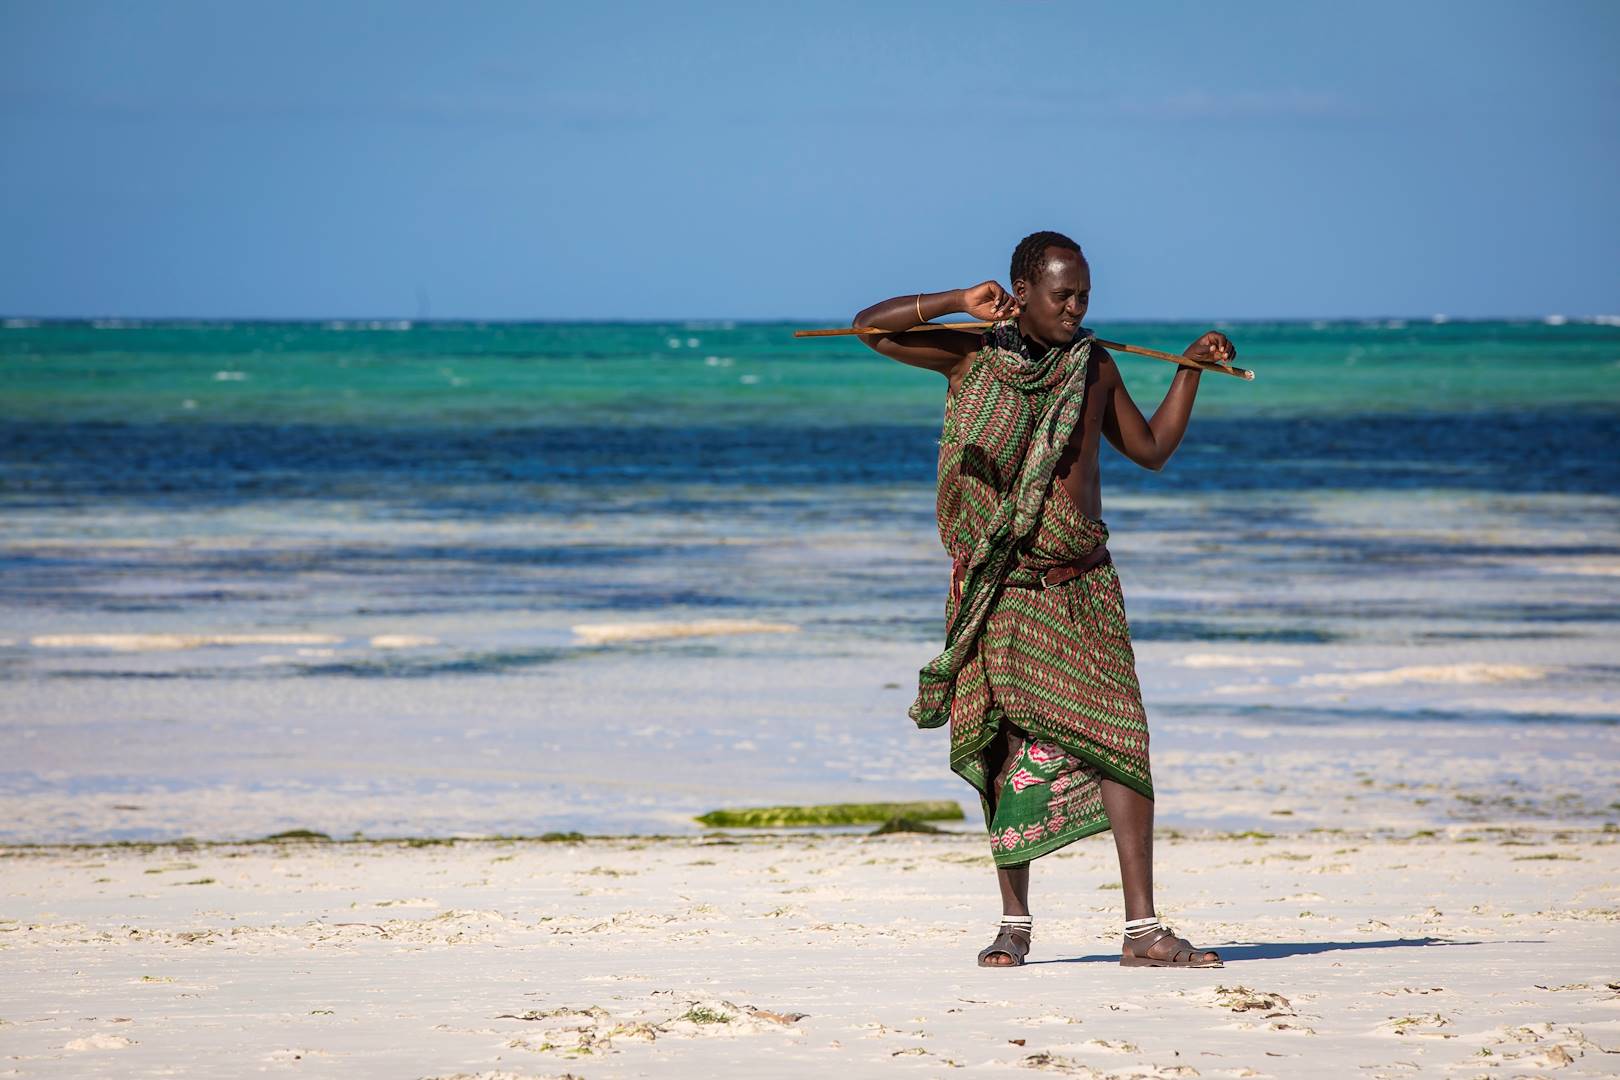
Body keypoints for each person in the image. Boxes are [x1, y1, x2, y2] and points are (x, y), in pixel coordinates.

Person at [852, 230, 1231, 968]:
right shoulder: (970, 356)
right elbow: (871, 328)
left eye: (1084, 296)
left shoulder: (1094, 366)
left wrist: (1188, 371)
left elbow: (1151, 450)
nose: (1076, 308)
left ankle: (1143, 932)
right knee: (1000, 744)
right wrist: (956, 301)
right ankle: (1014, 924)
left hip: (1082, 583)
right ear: (1021, 293)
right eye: (1063, 295)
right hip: (1001, 589)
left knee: (1122, 737)